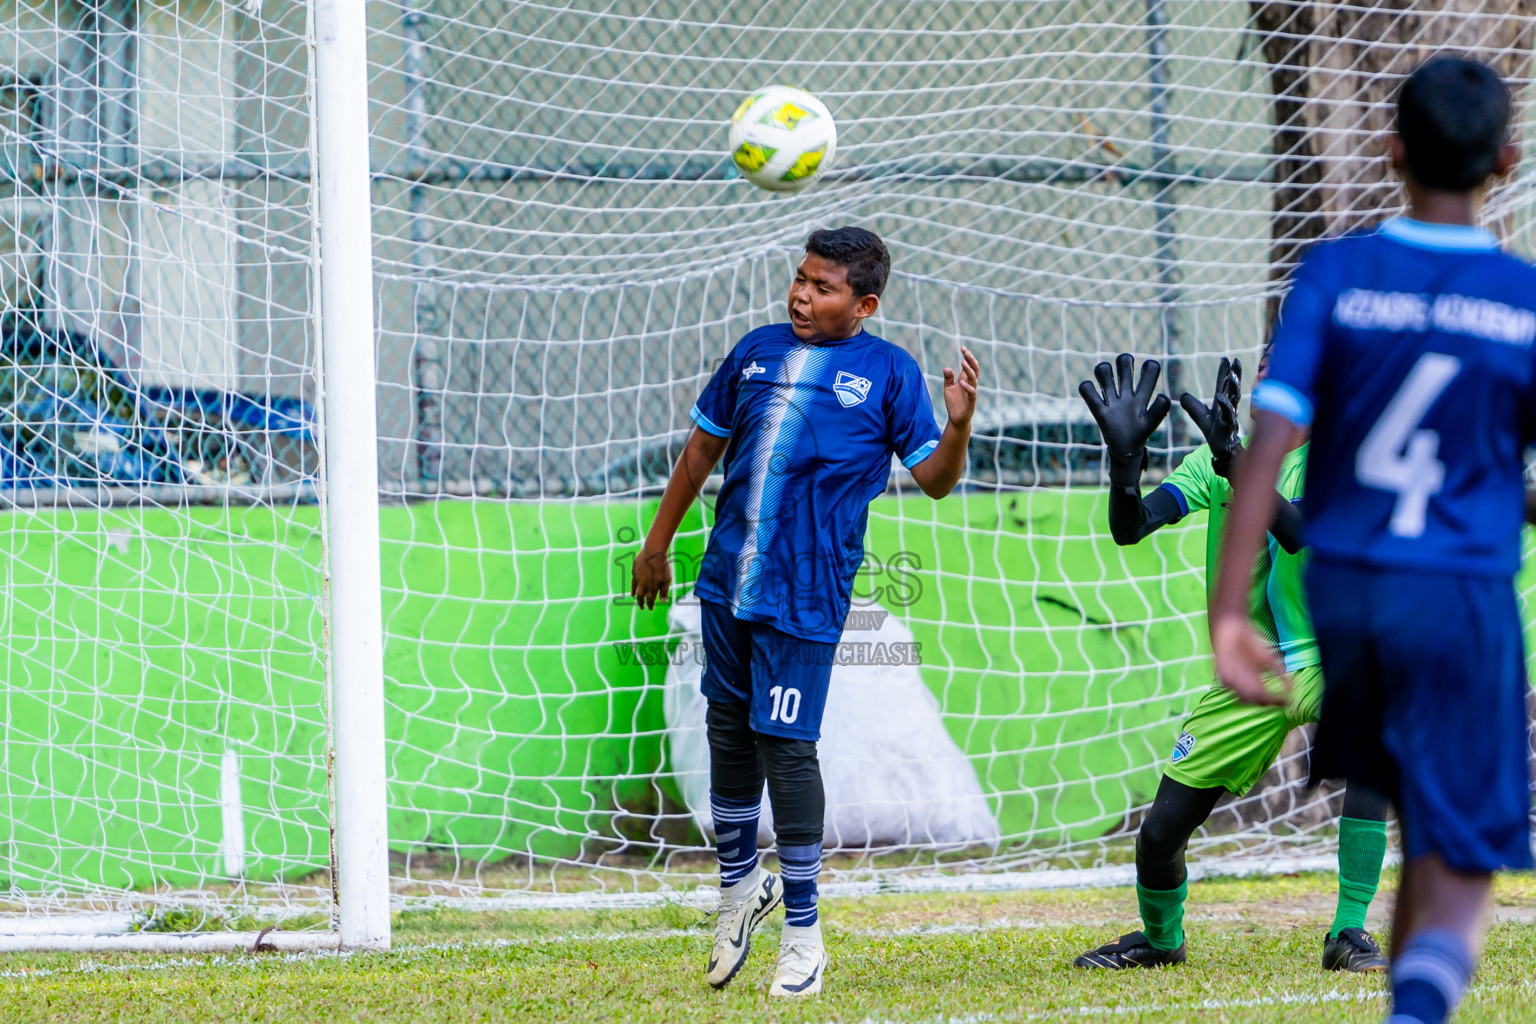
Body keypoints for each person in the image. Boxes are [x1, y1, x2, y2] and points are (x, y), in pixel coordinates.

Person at [1211, 57, 1533, 1024]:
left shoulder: (1337, 272)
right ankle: (1422, 1004)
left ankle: (1404, 1003)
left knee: (1402, 818)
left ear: (1390, 152)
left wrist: (1230, 609)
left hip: (1346, 594)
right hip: (1458, 591)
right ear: (1507, 161)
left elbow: (1268, 443)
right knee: (1460, 854)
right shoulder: (1521, 301)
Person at [631, 226, 980, 997]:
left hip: (809, 594)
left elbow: (937, 481)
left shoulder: (889, 371)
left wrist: (955, 426)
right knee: (728, 729)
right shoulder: (754, 351)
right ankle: (736, 888)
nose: (801, 294)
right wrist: (658, 544)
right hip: (726, 582)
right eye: (800, 279)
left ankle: (803, 931)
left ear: (863, 305)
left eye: (822, 288)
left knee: (787, 750)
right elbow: (699, 453)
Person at [1071, 352, 1389, 972]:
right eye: (1269, 369)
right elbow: (1130, 526)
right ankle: (1162, 940)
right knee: (1160, 834)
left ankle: (1348, 932)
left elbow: (1300, 533)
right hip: (1258, 667)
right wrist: (1125, 463)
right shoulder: (1218, 459)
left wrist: (1235, 461)